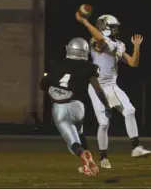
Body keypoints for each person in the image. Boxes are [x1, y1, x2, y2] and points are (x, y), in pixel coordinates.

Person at [76, 9, 151, 169]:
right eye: (113, 26)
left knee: (130, 110)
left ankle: (136, 147)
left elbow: (133, 63)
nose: (116, 29)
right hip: (97, 87)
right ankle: (103, 157)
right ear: (104, 27)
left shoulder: (118, 44)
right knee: (103, 123)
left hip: (112, 85)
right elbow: (100, 39)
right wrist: (84, 21)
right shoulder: (98, 42)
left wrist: (136, 47)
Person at [40, 37, 112, 176]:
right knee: (78, 135)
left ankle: (83, 155)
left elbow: (43, 85)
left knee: (73, 143)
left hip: (60, 108)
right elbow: (98, 90)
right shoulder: (88, 68)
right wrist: (107, 106)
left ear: (69, 49)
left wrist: (55, 91)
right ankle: (88, 164)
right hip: (78, 108)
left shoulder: (57, 65)